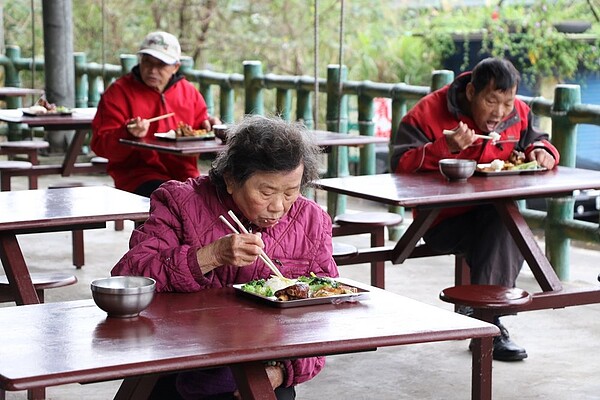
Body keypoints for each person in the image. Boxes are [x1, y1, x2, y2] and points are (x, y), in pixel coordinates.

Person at [112, 115, 338, 399]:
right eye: (266, 192)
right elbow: (129, 276)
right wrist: (210, 256)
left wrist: (281, 373)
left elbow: (324, 315)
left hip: (266, 362)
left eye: (291, 192)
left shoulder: (312, 221)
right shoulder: (181, 202)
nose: (279, 206)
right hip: (184, 360)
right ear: (231, 179)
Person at [390, 57, 560, 362]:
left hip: (492, 217)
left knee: (508, 221)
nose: (499, 112)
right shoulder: (428, 112)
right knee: (504, 223)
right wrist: (444, 148)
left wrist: (541, 152)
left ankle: (487, 321)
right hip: (439, 222)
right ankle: (488, 321)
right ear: (471, 92)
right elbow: (399, 165)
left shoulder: (518, 113)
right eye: (491, 100)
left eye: (507, 102)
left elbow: (540, 142)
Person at [91, 31, 221, 197]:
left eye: (161, 64)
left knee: (219, 196)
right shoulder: (119, 91)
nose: (152, 70)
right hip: (137, 175)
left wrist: (210, 125)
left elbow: (202, 130)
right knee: (172, 198)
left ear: (175, 67)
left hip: (185, 174)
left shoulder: (189, 92)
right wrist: (127, 133)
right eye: (147, 62)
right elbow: (100, 145)